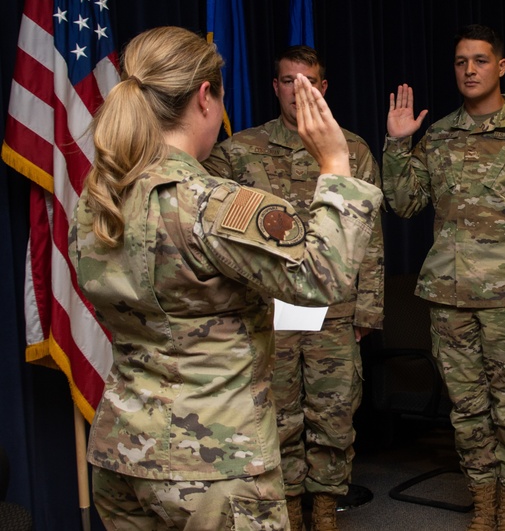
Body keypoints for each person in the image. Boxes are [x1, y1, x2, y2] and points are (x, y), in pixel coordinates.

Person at [69, 26, 382, 531]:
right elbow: (323, 279)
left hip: (124, 452)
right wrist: (336, 163)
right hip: (214, 466)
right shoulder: (214, 204)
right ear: (204, 97)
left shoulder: (99, 200)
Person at [381, 24, 505, 531]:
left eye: (480, 60)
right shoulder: (440, 134)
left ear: (501, 66)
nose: (469, 70)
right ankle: (483, 502)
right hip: (450, 298)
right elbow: (404, 204)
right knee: (467, 409)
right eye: (460, 62)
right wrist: (397, 144)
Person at [203, 46, 384, 531]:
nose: (296, 90)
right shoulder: (239, 151)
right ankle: (286, 517)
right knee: (276, 418)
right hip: (269, 312)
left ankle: (325, 516)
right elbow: (214, 233)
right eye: (287, 81)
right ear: (275, 87)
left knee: (334, 417)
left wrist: (368, 309)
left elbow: (370, 237)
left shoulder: (352, 150)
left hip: (335, 310)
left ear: (322, 88)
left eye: (307, 81)